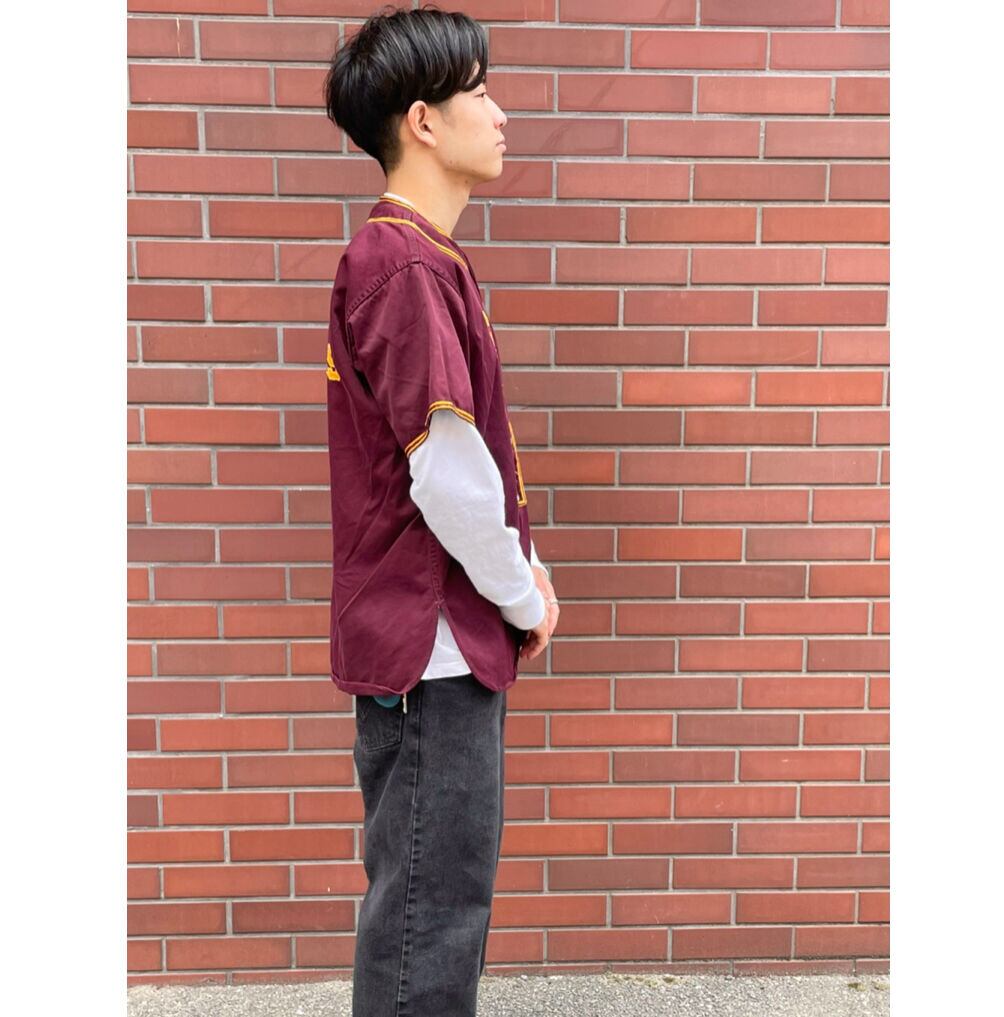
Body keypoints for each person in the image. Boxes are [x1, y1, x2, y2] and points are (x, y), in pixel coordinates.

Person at [322, 6, 560, 1015]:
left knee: (424, 902)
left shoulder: (411, 259)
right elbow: (450, 477)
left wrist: (520, 573)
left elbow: (454, 464)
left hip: (430, 643)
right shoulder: (407, 267)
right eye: (481, 93)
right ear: (423, 121)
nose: (501, 115)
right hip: (434, 648)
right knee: (430, 913)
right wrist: (523, 596)